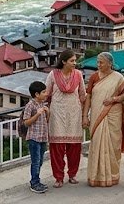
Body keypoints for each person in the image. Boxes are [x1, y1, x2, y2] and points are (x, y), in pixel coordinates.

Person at [83, 52, 124, 187]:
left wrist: (113, 99)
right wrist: (85, 115)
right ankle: (96, 177)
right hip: (97, 114)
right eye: (97, 62)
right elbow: (88, 97)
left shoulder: (119, 78)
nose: (98, 65)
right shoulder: (94, 77)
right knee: (97, 143)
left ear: (109, 63)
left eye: (101, 62)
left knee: (113, 144)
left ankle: (112, 176)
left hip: (113, 113)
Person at [45, 49, 86, 188]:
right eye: (72, 61)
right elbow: (47, 93)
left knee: (74, 147)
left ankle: (72, 174)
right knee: (57, 147)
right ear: (63, 61)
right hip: (57, 114)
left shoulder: (78, 75)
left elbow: (82, 95)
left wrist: (85, 114)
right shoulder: (53, 74)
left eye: (75, 60)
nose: (75, 63)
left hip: (74, 113)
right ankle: (58, 177)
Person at [23, 81, 50, 194]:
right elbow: (26, 123)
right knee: (35, 161)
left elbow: (46, 121)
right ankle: (34, 183)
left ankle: (36, 180)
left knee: (40, 161)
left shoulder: (43, 104)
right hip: (34, 138)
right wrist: (37, 114)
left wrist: (48, 112)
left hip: (43, 137)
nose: (46, 93)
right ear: (37, 94)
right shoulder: (30, 105)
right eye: (43, 92)